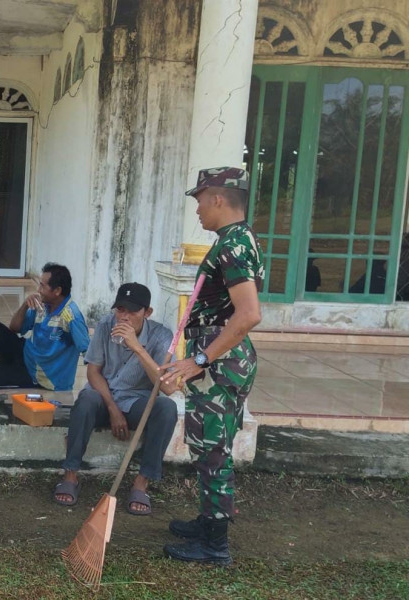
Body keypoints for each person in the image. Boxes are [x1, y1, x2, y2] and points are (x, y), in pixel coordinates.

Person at [159, 166, 264, 566]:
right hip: (219, 359)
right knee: (208, 447)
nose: (198, 209)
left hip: (218, 362)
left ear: (218, 197)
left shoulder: (235, 244)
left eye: (200, 199)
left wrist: (201, 358)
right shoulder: (235, 240)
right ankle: (208, 522)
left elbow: (249, 313)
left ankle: (214, 546)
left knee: (214, 451)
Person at [53, 283, 178, 512]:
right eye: (120, 310)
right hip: (104, 397)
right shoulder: (105, 325)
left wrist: (138, 348)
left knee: (167, 408)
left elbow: (168, 388)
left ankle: (141, 484)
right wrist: (112, 409)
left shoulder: (161, 336)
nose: (125, 317)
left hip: (137, 402)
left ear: (147, 313)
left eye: (132, 311)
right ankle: (70, 476)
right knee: (86, 400)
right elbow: (93, 372)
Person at [0, 263, 90, 391]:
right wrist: (25, 305)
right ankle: (9, 369)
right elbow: (15, 328)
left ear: (57, 291)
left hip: (42, 376)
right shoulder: (42, 305)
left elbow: (89, 352)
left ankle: (12, 374)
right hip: (27, 356)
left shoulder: (72, 317)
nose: (38, 290)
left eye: (42, 286)